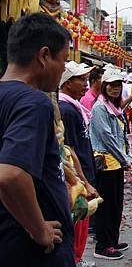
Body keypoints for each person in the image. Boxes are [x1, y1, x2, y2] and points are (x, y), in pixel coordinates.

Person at [0, 13, 74, 267]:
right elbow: (10, 174)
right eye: (63, 60)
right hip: (31, 251)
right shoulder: (33, 102)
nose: (64, 68)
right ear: (44, 56)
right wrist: (39, 229)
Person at [58, 61, 98, 267]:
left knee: (82, 222)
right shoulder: (66, 109)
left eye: (86, 79)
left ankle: (77, 258)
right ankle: (75, 260)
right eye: (81, 80)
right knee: (78, 221)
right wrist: (83, 181)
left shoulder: (74, 107)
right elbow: (70, 151)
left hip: (82, 174)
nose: (86, 84)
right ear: (66, 83)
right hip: (76, 178)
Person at [89, 68, 132, 261]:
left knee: (116, 204)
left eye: (118, 85)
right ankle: (103, 245)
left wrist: (124, 157)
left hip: (116, 164)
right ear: (104, 86)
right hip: (106, 163)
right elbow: (107, 137)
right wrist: (124, 158)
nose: (115, 89)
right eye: (111, 85)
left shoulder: (113, 107)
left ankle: (112, 240)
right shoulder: (100, 108)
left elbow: (121, 134)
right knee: (106, 207)